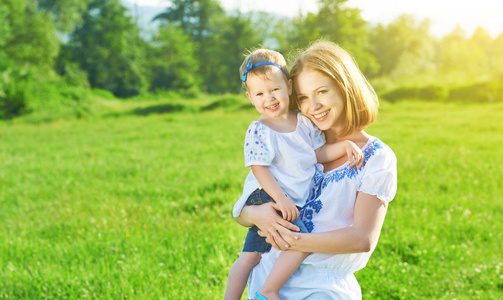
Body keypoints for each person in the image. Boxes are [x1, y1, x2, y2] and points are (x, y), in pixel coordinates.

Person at [233, 40, 398, 299]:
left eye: (322, 91)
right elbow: (249, 206)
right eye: (303, 98)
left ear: (345, 88)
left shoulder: (376, 157)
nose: (314, 105)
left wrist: (292, 240)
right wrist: (254, 215)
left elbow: (361, 239)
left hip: (322, 289)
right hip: (266, 278)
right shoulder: (291, 146)